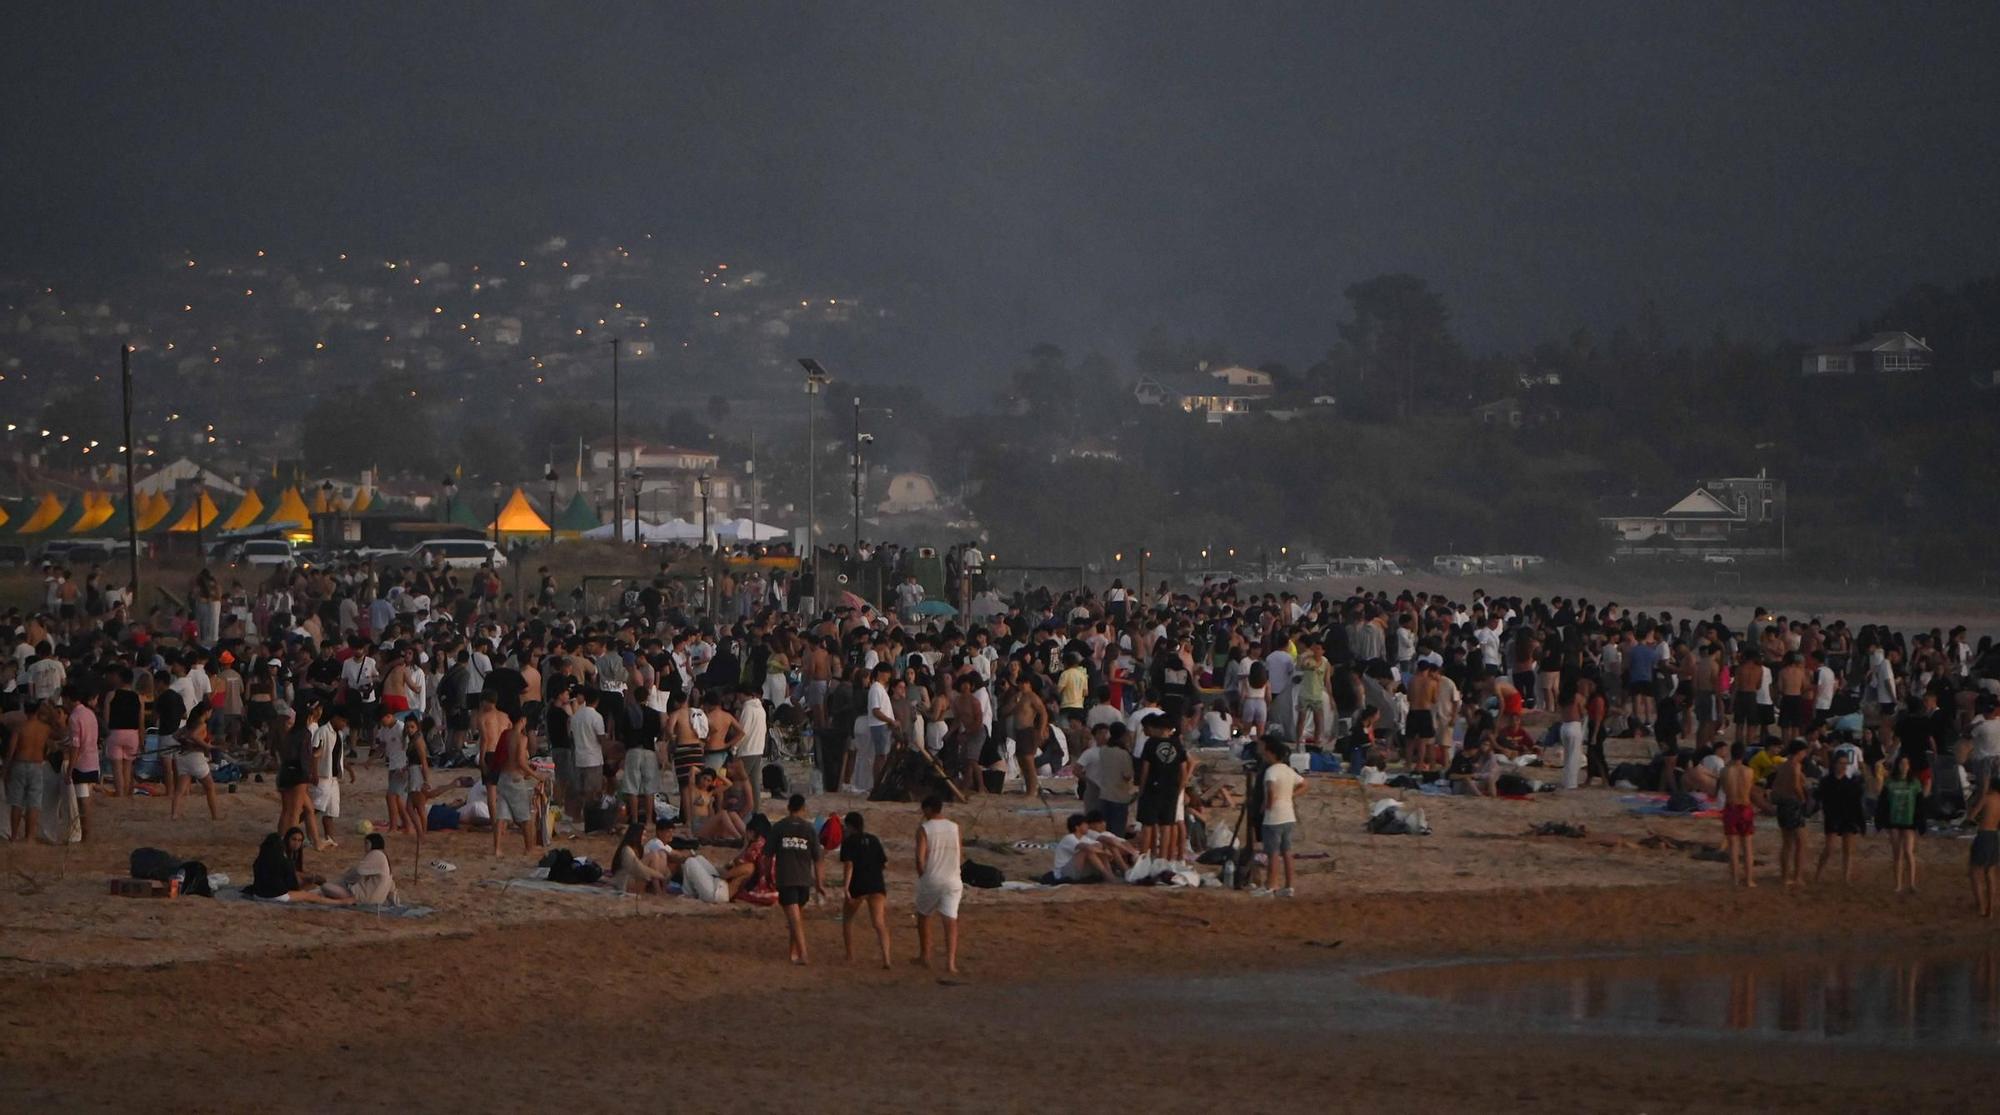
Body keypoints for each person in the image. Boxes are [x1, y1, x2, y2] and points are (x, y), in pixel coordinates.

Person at [769, 793, 825, 965]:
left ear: (788, 808)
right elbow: (818, 859)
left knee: (795, 920)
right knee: (796, 918)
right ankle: (792, 953)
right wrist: (819, 883)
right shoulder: (809, 829)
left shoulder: (779, 827)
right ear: (803, 808)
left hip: (787, 879)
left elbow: (766, 855)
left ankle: (803, 954)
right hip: (804, 881)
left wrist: (765, 876)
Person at [913, 794, 963, 975]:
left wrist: (922, 876)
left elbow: (920, 858)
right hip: (953, 879)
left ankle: (925, 955)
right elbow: (959, 853)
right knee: (951, 921)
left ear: (928, 809)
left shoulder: (924, 829)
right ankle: (950, 963)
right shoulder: (954, 827)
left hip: (933, 877)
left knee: (924, 915)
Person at [838, 811, 892, 968]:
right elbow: (884, 864)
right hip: (876, 884)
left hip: (858, 885)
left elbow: (849, 865)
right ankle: (886, 959)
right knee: (879, 923)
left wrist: (846, 887)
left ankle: (850, 955)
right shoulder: (874, 839)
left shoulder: (848, 842)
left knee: (847, 920)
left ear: (849, 826)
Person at [1133, 710, 1188, 861]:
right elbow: (1183, 771)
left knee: (1148, 824)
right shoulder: (1177, 744)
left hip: (1152, 787)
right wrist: (1180, 789)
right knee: (1167, 825)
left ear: (1159, 728)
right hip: (1171, 789)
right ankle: (1163, 858)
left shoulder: (1151, 743)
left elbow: (1145, 769)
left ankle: (1144, 857)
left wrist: (1142, 789)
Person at [245, 828, 352, 904]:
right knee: (310, 896)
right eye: (294, 839)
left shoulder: (258, 861)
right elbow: (292, 884)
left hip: (258, 895)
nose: (297, 843)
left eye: (299, 840)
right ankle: (340, 902)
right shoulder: (284, 861)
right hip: (276, 897)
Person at [5, 701, 59, 843]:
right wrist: (53, 716)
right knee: (33, 802)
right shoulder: (45, 729)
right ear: (37, 711)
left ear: (25, 711)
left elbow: (11, 750)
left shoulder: (20, 727)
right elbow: (59, 734)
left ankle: (15, 835)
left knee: (16, 802)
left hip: (19, 763)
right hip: (37, 765)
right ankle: (30, 837)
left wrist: (6, 768)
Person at [1258, 739, 1305, 897]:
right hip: (1288, 815)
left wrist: (1267, 805)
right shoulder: (1288, 770)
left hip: (1274, 817)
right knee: (1287, 852)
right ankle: (1289, 886)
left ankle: (1271, 885)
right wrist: (1291, 796)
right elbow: (1305, 784)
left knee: (1273, 853)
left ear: (1271, 753)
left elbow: (1270, 791)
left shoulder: (1271, 771)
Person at [1814, 748, 1866, 885]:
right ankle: (1818, 874)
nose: (1843, 766)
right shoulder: (1827, 781)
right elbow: (1819, 796)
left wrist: (1860, 822)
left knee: (1848, 849)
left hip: (1848, 816)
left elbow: (1856, 804)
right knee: (1829, 848)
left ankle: (1846, 878)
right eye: (1841, 763)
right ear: (1835, 764)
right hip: (1832, 816)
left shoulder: (1851, 783)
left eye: (1845, 763)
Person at [1876, 752, 1926, 894]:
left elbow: (1920, 804)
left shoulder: (1915, 783)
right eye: (1901, 763)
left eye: (1906, 764)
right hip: (1894, 820)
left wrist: (1920, 822)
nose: (1904, 766)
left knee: (1909, 852)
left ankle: (1911, 883)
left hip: (1909, 821)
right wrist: (1880, 821)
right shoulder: (1890, 782)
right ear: (1897, 766)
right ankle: (1898, 885)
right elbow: (1882, 803)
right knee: (1897, 853)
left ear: (1909, 766)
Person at [169, 703, 221, 822]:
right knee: (210, 787)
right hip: (195, 758)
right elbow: (193, 735)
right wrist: (207, 746)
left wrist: (185, 742)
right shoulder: (202, 724)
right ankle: (215, 816)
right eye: (210, 712)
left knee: (180, 789)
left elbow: (175, 736)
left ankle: (174, 815)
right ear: (206, 712)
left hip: (183, 758)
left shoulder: (188, 725)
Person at [1770, 740, 1810, 889]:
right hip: (1793, 804)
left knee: (1787, 843)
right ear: (1799, 752)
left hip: (1782, 805)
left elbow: (1776, 786)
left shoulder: (1782, 766)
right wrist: (1803, 799)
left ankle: (1784, 876)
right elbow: (1795, 785)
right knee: (1801, 842)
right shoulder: (1795, 765)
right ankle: (1798, 877)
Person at [1718, 742, 1759, 887]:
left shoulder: (1724, 771)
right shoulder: (1749, 771)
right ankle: (1749, 879)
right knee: (1747, 846)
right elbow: (1750, 789)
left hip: (1731, 807)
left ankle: (1734, 879)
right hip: (1745, 807)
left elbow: (1722, 788)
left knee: (1733, 847)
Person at [1052, 812, 1121, 883]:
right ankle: (1108, 876)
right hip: (1064, 872)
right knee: (1087, 851)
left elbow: (1099, 845)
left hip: (1079, 869)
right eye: (1085, 824)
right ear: (1077, 827)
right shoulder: (1069, 838)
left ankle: (1110, 875)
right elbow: (1086, 847)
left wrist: (1104, 850)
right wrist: (1103, 852)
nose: (1087, 826)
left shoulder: (1084, 838)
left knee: (1098, 851)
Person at [1970, 775, 2000, 918]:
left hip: (1984, 835)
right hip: (1995, 835)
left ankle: (1980, 907)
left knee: (1975, 872)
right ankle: (1990, 909)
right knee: (1990, 873)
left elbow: (1971, 816)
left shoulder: (1987, 798)